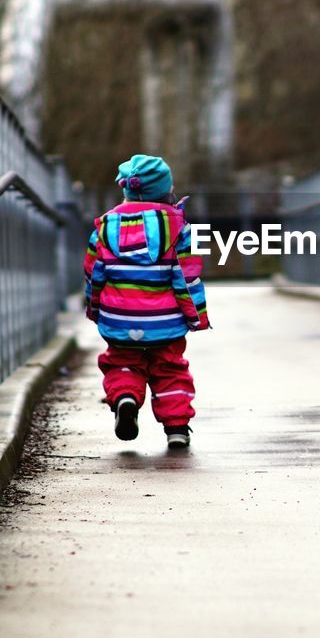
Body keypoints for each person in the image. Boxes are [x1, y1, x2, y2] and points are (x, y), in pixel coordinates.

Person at [82, 154, 209, 447]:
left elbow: (93, 274)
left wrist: (95, 309)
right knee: (170, 369)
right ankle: (176, 428)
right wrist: (196, 316)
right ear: (167, 190)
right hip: (165, 324)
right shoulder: (177, 228)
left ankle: (126, 397)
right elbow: (186, 278)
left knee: (122, 364)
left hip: (119, 320)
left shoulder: (103, 229)